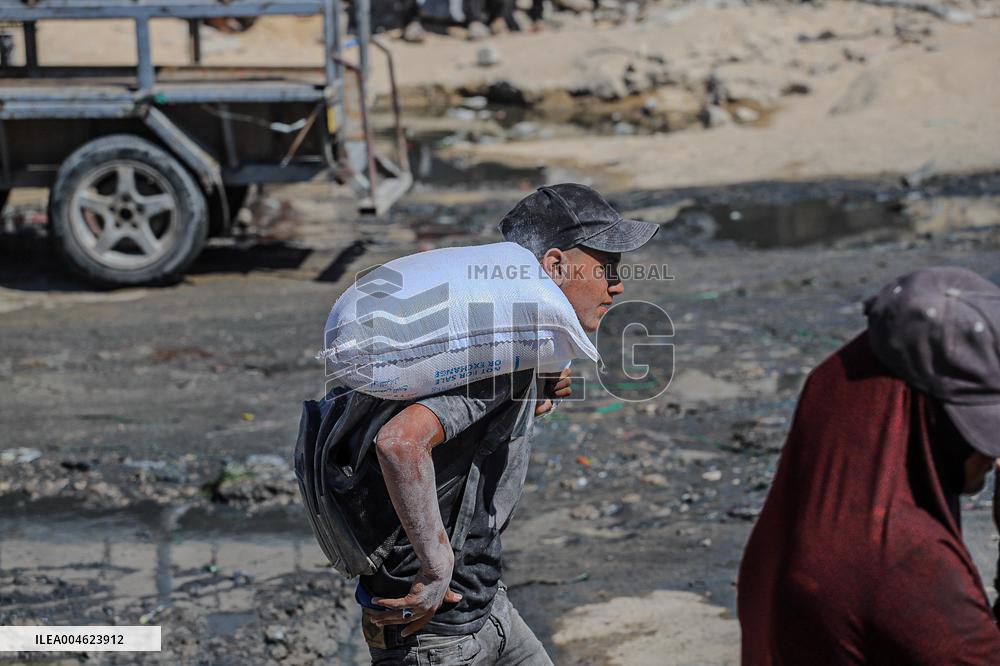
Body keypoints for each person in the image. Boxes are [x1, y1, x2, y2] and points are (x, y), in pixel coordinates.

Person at [306, 184, 658, 665]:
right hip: (440, 637)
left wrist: (532, 389)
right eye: (606, 268)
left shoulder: (500, 344)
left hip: (489, 610)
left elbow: (468, 433)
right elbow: (400, 443)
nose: (617, 285)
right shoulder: (500, 351)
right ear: (554, 267)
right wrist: (436, 566)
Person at [738, 266, 1000, 664]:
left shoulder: (835, 419)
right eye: (980, 429)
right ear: (935, 421)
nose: (992, 456)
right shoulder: (909, 568)